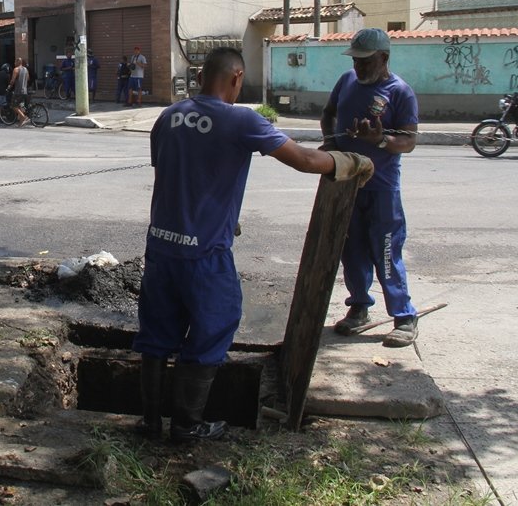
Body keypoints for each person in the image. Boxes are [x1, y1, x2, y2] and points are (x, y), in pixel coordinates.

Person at [133, 47, 373, 443]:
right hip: (204, 254)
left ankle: (150, 423)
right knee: (213, 328)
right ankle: (186, 426)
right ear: (237, 78)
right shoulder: (241, 119)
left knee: (157, 335)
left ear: (199, 78)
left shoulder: (167, 117)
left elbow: (175, 176)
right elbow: (305, 160)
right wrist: (352, 162)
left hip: (160, 248)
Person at [321, 28, 420, 348]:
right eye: (356, 61)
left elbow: (409, 141)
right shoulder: (346, 81)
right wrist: (330, 143)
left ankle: (404, 316)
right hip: (347, 185)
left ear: (384, 58)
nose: (359, 68)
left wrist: (379, 139)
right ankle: (359, 307)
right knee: (351, 251)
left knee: (386, 251)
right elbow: (328, 113)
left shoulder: (400, 92)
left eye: (366, 62)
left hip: (381, 189)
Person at [8, 57, 30, 127]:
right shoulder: (26, 69)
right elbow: (28, 78)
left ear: (18, 62)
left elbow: (13, 80)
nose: (14, 63)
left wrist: (9, 86)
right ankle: (20, 124)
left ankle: (24, 117)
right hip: (25, 91)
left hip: (18, 91)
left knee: (13, 105)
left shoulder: (16, 69)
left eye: (15, 62)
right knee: (20, 107)